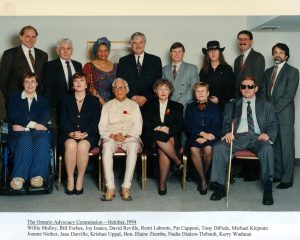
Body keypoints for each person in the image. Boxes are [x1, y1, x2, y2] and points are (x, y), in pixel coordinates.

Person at [210, 76, 277, 205]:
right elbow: (226, 123)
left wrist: (268, 134)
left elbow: (273, 124)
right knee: (219, 147)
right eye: (243, 86)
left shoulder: (266, 105)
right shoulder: (232, 105)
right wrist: (227, 133)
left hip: (257, 137)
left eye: (250, 86)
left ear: (256, 88)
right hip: (238, 137)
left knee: (267, 148)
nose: (247, 89)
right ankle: (220, 187)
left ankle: (268, 188)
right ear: (240, 89)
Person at [261, 43, 299, 189]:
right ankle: (277, 174)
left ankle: (287, 178)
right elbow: (263, 92)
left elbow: (289, 96)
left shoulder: (293, 72)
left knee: (287, 147)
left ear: (286, 56)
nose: (278, 55)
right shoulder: (267, 71)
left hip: (284, 116)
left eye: (281, 53)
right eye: (275, 52)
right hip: (270, 116)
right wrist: (266, 111)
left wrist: (272, 110)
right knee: (274, 145)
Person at [99, 78, 143, 201]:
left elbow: (138, 126)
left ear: (126, 89)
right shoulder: (107, 106)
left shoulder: (134, 105)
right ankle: (110, 187)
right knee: (106, 148)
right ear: (113, 90)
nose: (119, 90)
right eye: (116, 88)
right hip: (111, 137)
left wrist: (127, 135)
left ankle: (125, 187)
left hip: (129, 137)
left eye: (121, 87)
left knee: (133, 148)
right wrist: (113, 136)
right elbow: (102, 127)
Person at [7, 72, 51, 190]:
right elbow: (14, 116)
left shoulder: (44, 102)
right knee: (25, 138)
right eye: (27, 81)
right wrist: (32, 126)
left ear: (37, 84)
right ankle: (18, 177)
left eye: (32, 81)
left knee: (43, 137)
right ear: (23, 84)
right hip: (18, 135)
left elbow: (43, 121)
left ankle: (37, 176)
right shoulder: (14, 98)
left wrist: (26, 127)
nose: (30, 84)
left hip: (35, 133)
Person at [59, 72, 101, 195]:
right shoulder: (65, 100)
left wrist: (85, 133)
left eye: (81, 81)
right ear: (72, 84)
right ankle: (71, 178)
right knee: (71, 145)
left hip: (88, 135)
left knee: (82, 146)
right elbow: (62, 120)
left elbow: (95, 121)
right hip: (68, 134)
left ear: (86, 84)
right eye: (76, 81)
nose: (78, 83)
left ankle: (80, 178)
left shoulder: (94, 100)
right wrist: (71, 133)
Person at [143, 79, 184, 195]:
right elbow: (146, 124)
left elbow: (180, 125)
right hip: (152, 139)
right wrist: (158, 129)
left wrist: (168, 130)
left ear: (170, 91)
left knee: (163, 151)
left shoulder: (177, 106)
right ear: (156, 91)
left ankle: (162, 184)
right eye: (160, 89)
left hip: (172, 139)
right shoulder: (149, 105)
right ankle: (177, 160)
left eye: (166, 89)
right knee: (159, 135)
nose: (163, 91)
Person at [184, 82, 222, 195]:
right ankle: (203, 180)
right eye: (197, 91)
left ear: (208, 93)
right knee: (193, 149)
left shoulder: (215, 107)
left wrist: (206, 138)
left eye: (203, 91)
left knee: (208, 149)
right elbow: (188, 125)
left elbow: (217, 125)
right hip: (194, 137)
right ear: (194, 93)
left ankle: (202, 177)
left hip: (211, 137)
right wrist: (201, 134)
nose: (200, 93)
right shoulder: (190, 107)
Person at [0, 25, 48, 104]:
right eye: (27, 36)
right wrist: (9, 99)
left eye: (33, 36)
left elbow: (43, 79)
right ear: (21, 37)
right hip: (16, 100)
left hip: (37, 100)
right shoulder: (9, 54)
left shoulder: (43, 55)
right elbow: (3, 80)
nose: (31, 39)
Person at [116, 32, 162, 107]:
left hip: (150, 103)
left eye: (141, 42)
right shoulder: (123, 61)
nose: (138, 45)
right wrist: (132, 96)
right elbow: (120, 82)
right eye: (135, 43)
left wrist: (146, 97)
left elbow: (158, 83)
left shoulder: (155, 60)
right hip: (129, 103)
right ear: (131, 45)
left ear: (145, 43)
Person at [43, 38, 82, 112]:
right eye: (62, 48)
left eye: (68, 48)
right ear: (58, 51)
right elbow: (47, 90)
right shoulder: (50, 66)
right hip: (57, 107)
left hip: (76, 106)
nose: (66, 51)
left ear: (72, 51)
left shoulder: (78, 65)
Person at [200, 40, 235, 112]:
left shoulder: (227, 69)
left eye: (216, 50)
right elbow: (201, 89)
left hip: (224, 106)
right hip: (207, 106)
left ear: (220, 53)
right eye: (210, 51)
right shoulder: (203, 70)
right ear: (207, 54)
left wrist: (219, 99)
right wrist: (209, 98)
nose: (213, 53)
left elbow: (232, 89)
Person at [162, 42, 199, 110]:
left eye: (179, 51)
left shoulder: (192, 68)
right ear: (170, 53)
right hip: (168, 106)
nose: (177, 54)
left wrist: (178, 103)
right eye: (174, 51)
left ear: (183, 53)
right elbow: (161, 89)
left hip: (186, 106)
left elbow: (194, 88)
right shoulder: (164, 69)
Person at [83, 37, 117, 106]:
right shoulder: (89, 66)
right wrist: (104, 104)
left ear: (109, 51)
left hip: (114, 103)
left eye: (105, 50)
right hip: (96, 103)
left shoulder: (116, 66)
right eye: (100, 50)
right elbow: (88, 88)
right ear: (96, 52)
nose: (103, 53)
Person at [233, 30, 265, 97]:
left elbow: (257, 81)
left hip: (252, 98)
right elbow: (236, 82)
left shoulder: (258, 57)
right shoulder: (237, 60)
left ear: (251, 41)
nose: (242, 42)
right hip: (239, 99)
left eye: (245, 39)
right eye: (240, 39)